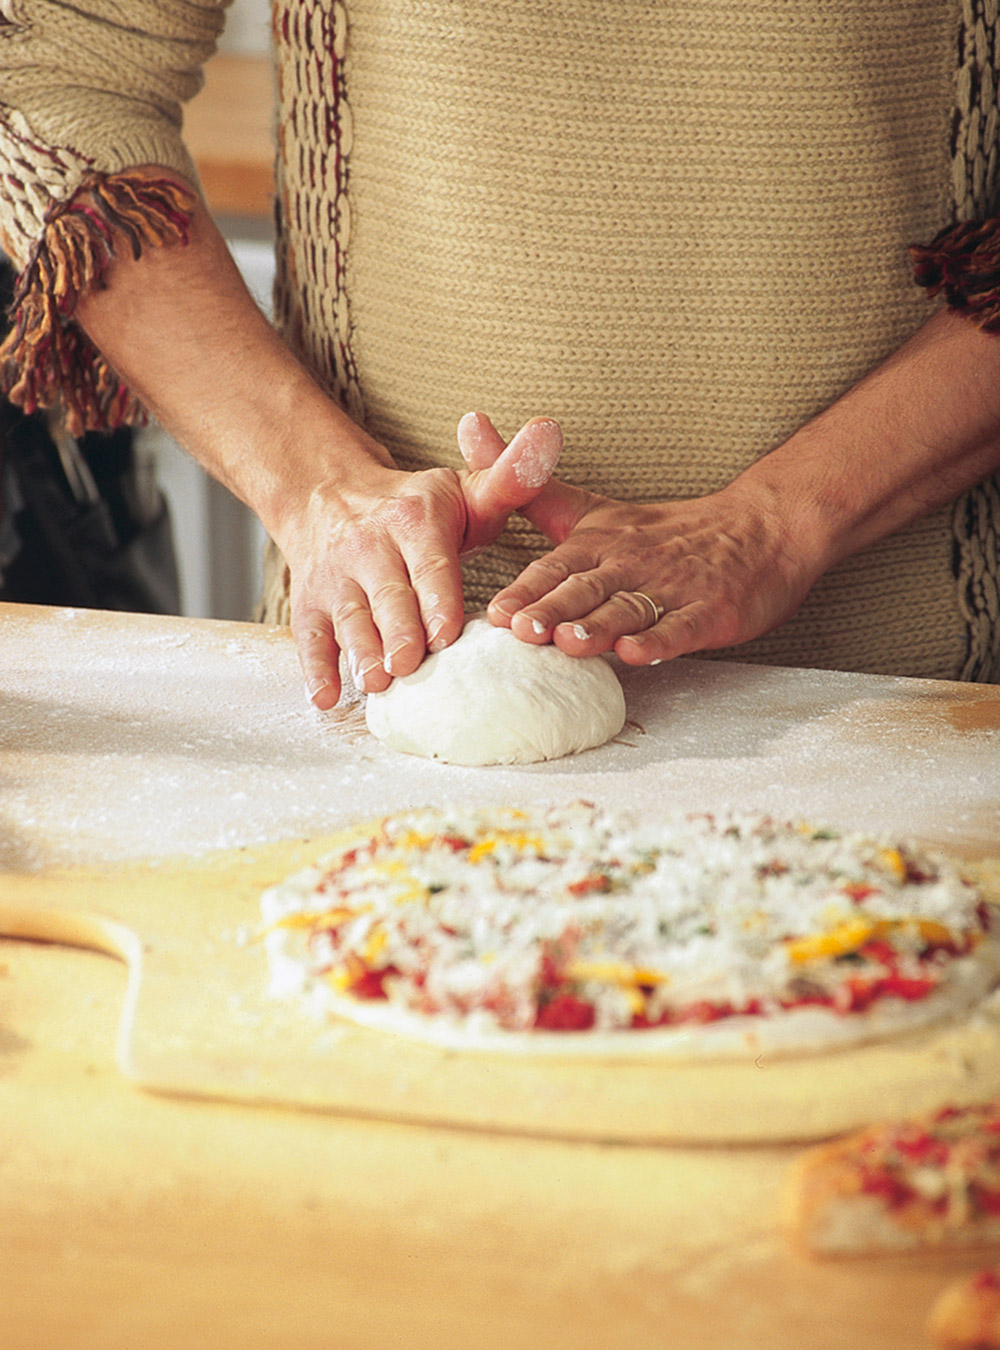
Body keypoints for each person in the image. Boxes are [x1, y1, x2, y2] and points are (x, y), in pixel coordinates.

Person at [2, 2, 999, 709]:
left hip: (913, 699)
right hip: (389, 673)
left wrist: (780, 521)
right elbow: (50, 79)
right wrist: (318, 486)